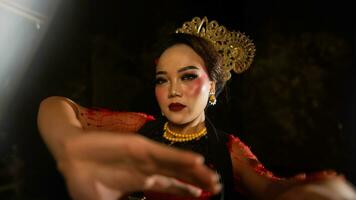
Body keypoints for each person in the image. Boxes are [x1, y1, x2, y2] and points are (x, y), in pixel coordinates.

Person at [37, 16, 356, 200]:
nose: (173, 89)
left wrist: (306, 191)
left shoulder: (228, 150)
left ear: (213, 87)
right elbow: (55, 105)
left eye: (188, 76)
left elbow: (271, 188)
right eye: (163, 79)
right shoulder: (138, 127)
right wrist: (70, 143)